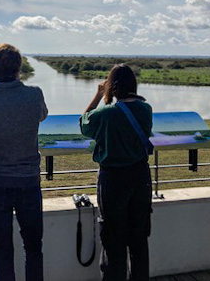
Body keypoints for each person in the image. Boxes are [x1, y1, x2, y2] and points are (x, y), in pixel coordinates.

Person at [0, 43, 48, 281]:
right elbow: (42, 115)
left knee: (1, 253)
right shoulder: (34, 94)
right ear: (19, 68)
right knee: (33, 248)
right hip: (28, 182)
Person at [80, 64, 153, 281]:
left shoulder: (106, 113)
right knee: (139, 237)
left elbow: (84, 124)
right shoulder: (145, 109)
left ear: (113, 85)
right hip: (141, 176)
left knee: (113, 238)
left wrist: (99, 95)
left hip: (113, 178)